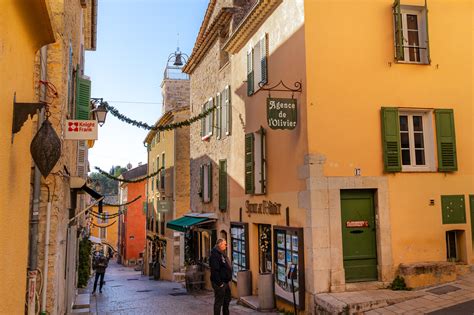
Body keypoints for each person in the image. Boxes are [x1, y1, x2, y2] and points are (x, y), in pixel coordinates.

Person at [209, 239, 232, 315]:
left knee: (227, 300)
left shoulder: (221, 253)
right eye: (225, 244)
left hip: (225, 281)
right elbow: (215, 270)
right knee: (219, 302)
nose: (226, 246)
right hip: (219, 282)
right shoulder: (215, 254)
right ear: (220, 245)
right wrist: (220, 283)